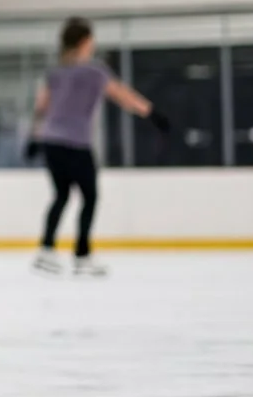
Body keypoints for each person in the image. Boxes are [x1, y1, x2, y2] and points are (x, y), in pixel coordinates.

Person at [33, 17, 167, 277]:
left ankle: (46, 250)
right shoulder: (95, 72)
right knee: (90, 197)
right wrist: (152, 113)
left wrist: (34, 138)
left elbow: (42, 106)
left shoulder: (55, 72)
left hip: (51, 141)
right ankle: (82, 255)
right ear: (84, 42)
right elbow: (123, 96)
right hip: (76, 142)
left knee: (61, 195)